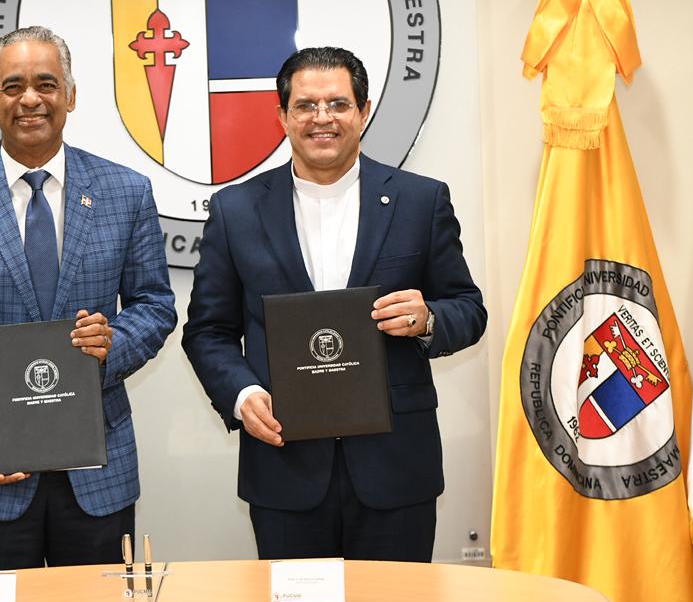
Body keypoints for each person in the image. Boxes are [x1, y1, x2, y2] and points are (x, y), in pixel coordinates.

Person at [182, 46, 486, 562]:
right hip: (284, 469)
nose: (322, 118)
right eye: (305, 105)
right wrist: (241, 395)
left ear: (363, 112)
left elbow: (469, 308)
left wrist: (429, 319)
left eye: (338, 104)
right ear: (282, 117)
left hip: (396, 470)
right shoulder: (236, 211)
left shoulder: (421, 200)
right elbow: (207, 330)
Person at [0, 26, 176, 570]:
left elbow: (155, 304)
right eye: (14, 85)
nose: (30, 99)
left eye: (46, 84)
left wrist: (112, 344)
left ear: (70, 96)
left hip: (98, 474)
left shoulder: (127, 192)